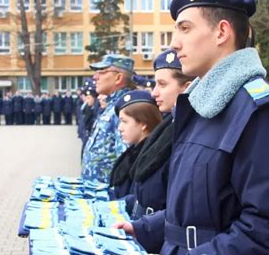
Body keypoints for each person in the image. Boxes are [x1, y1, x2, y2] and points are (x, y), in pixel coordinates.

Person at [116, 0, 269, 255]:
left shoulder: (263, 112)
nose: (174, 42)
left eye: (185, 28)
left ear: (221, 32)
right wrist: (142, 229)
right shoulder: (199, 105)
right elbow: (195, 208)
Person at [127, 49, 194, 223]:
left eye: (162, 84)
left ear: (186, 88)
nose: (154, 93)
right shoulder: (169, 124)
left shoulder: (189, 130)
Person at [81, 54, 135, 183]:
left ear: (118, 78)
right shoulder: (112, 105)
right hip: (96, 192)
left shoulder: (125, 108)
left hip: (107, 195)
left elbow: (125, 159)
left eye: (102, 72)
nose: (95, 77)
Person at [109, 90, 162, 200]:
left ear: (143, 123)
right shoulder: (134, 151)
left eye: (124, 121)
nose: (120, 128)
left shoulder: (151, 158)